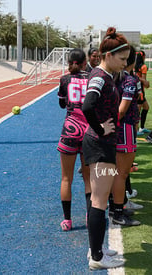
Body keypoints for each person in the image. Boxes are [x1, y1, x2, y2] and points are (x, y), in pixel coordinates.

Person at [82, 27, 129, 270]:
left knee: (99, 198)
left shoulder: (107, 76)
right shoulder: (100, 77)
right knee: (100, 200)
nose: (124, 64)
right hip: (100, 144)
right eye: (121, 59)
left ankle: (96, 248)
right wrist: (101, 129)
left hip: (103, 145)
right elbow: (87, 106)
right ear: (107, 55)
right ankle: (97, 258)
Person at [57, 49, 91, 231]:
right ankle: (89, 216)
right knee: (89, 179)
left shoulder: (65, 79)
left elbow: (62, 103)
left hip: (70, 129)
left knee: (66, 178)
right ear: (85, 62)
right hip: (89, 131)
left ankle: (67, 220)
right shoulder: (92, 78)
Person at [111, 45, 141, 227]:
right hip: (124, 129)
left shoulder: (110, 78)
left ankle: (116, 208)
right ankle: (118, 211)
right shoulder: (128, 80)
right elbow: (122, 111)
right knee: (121, 174)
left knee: (113, 173)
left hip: (112, 129)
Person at [135, 51, 151, 135]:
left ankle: (142, 127)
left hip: (136, 89)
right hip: (140, 90)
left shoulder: (133, 66)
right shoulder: (143, 66)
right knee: (138, 110)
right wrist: (147, 84)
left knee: (146, 107)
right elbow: (143, 80)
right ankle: (136, 130)